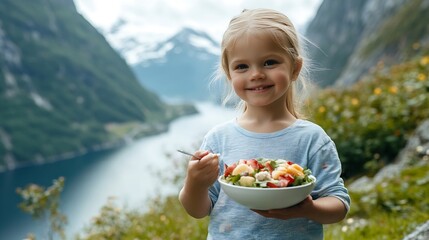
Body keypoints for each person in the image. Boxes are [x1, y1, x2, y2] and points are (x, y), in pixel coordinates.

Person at [178, 8, 350, 239]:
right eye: (242, 66)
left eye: (269, 62)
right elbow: (198, 210)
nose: (256, 74)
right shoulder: (219, 138)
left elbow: (338, 204)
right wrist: (195, 183)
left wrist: (309, 208)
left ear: (295, 68)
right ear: (230, 75)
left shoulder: (312, 138)